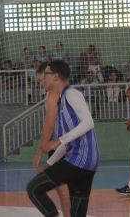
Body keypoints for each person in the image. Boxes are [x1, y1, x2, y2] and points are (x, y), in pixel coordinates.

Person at [27, 60, 100, 217]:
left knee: (34, 189)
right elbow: (68, 144)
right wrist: (49, 163)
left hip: (80, 159)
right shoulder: (62, 102)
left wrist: (57, 141)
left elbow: (89, 122)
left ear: (55, 76)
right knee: (77, 211)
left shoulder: (71, 94)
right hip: (87, 162)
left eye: (45, 74)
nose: (42, 80)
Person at [31, 62, 71, 217]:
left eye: (42, 80)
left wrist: (40, 151)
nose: (41, 84)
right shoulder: (60, 93)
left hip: (61, 144)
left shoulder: (53, 94)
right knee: (61, 187)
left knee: (61, 187)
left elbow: (49, 123)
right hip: (61, 144)